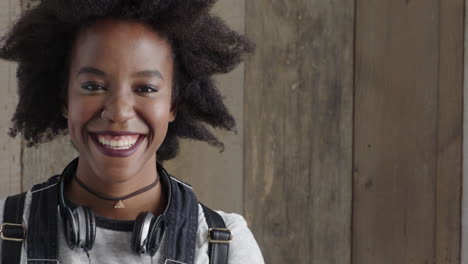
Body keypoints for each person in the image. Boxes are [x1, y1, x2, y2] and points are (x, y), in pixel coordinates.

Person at [0, 1, 264, 263]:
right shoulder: (4, 231)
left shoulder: (225, 246)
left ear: (173, 104)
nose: (119, 112)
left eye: (146, 88)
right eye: (93, 86)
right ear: (65, 99)